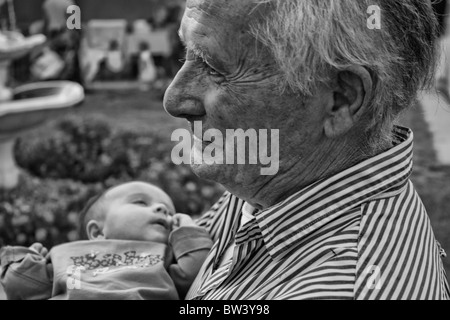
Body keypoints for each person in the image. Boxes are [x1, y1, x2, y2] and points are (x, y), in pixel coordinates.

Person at [163, 0, 450, 300]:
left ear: (340, 100)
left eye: (212, 66)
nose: (173, 99)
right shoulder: (276, 168)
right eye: (188, 53)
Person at [0, 181, 213, 300]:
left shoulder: (163, 257)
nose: (162, 209)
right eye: (140, 202)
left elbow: (196, 271)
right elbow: (25, 289)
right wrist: (25, 260)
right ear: (98, 232)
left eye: (170, 213)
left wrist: (186, 231)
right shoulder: (67, 254)